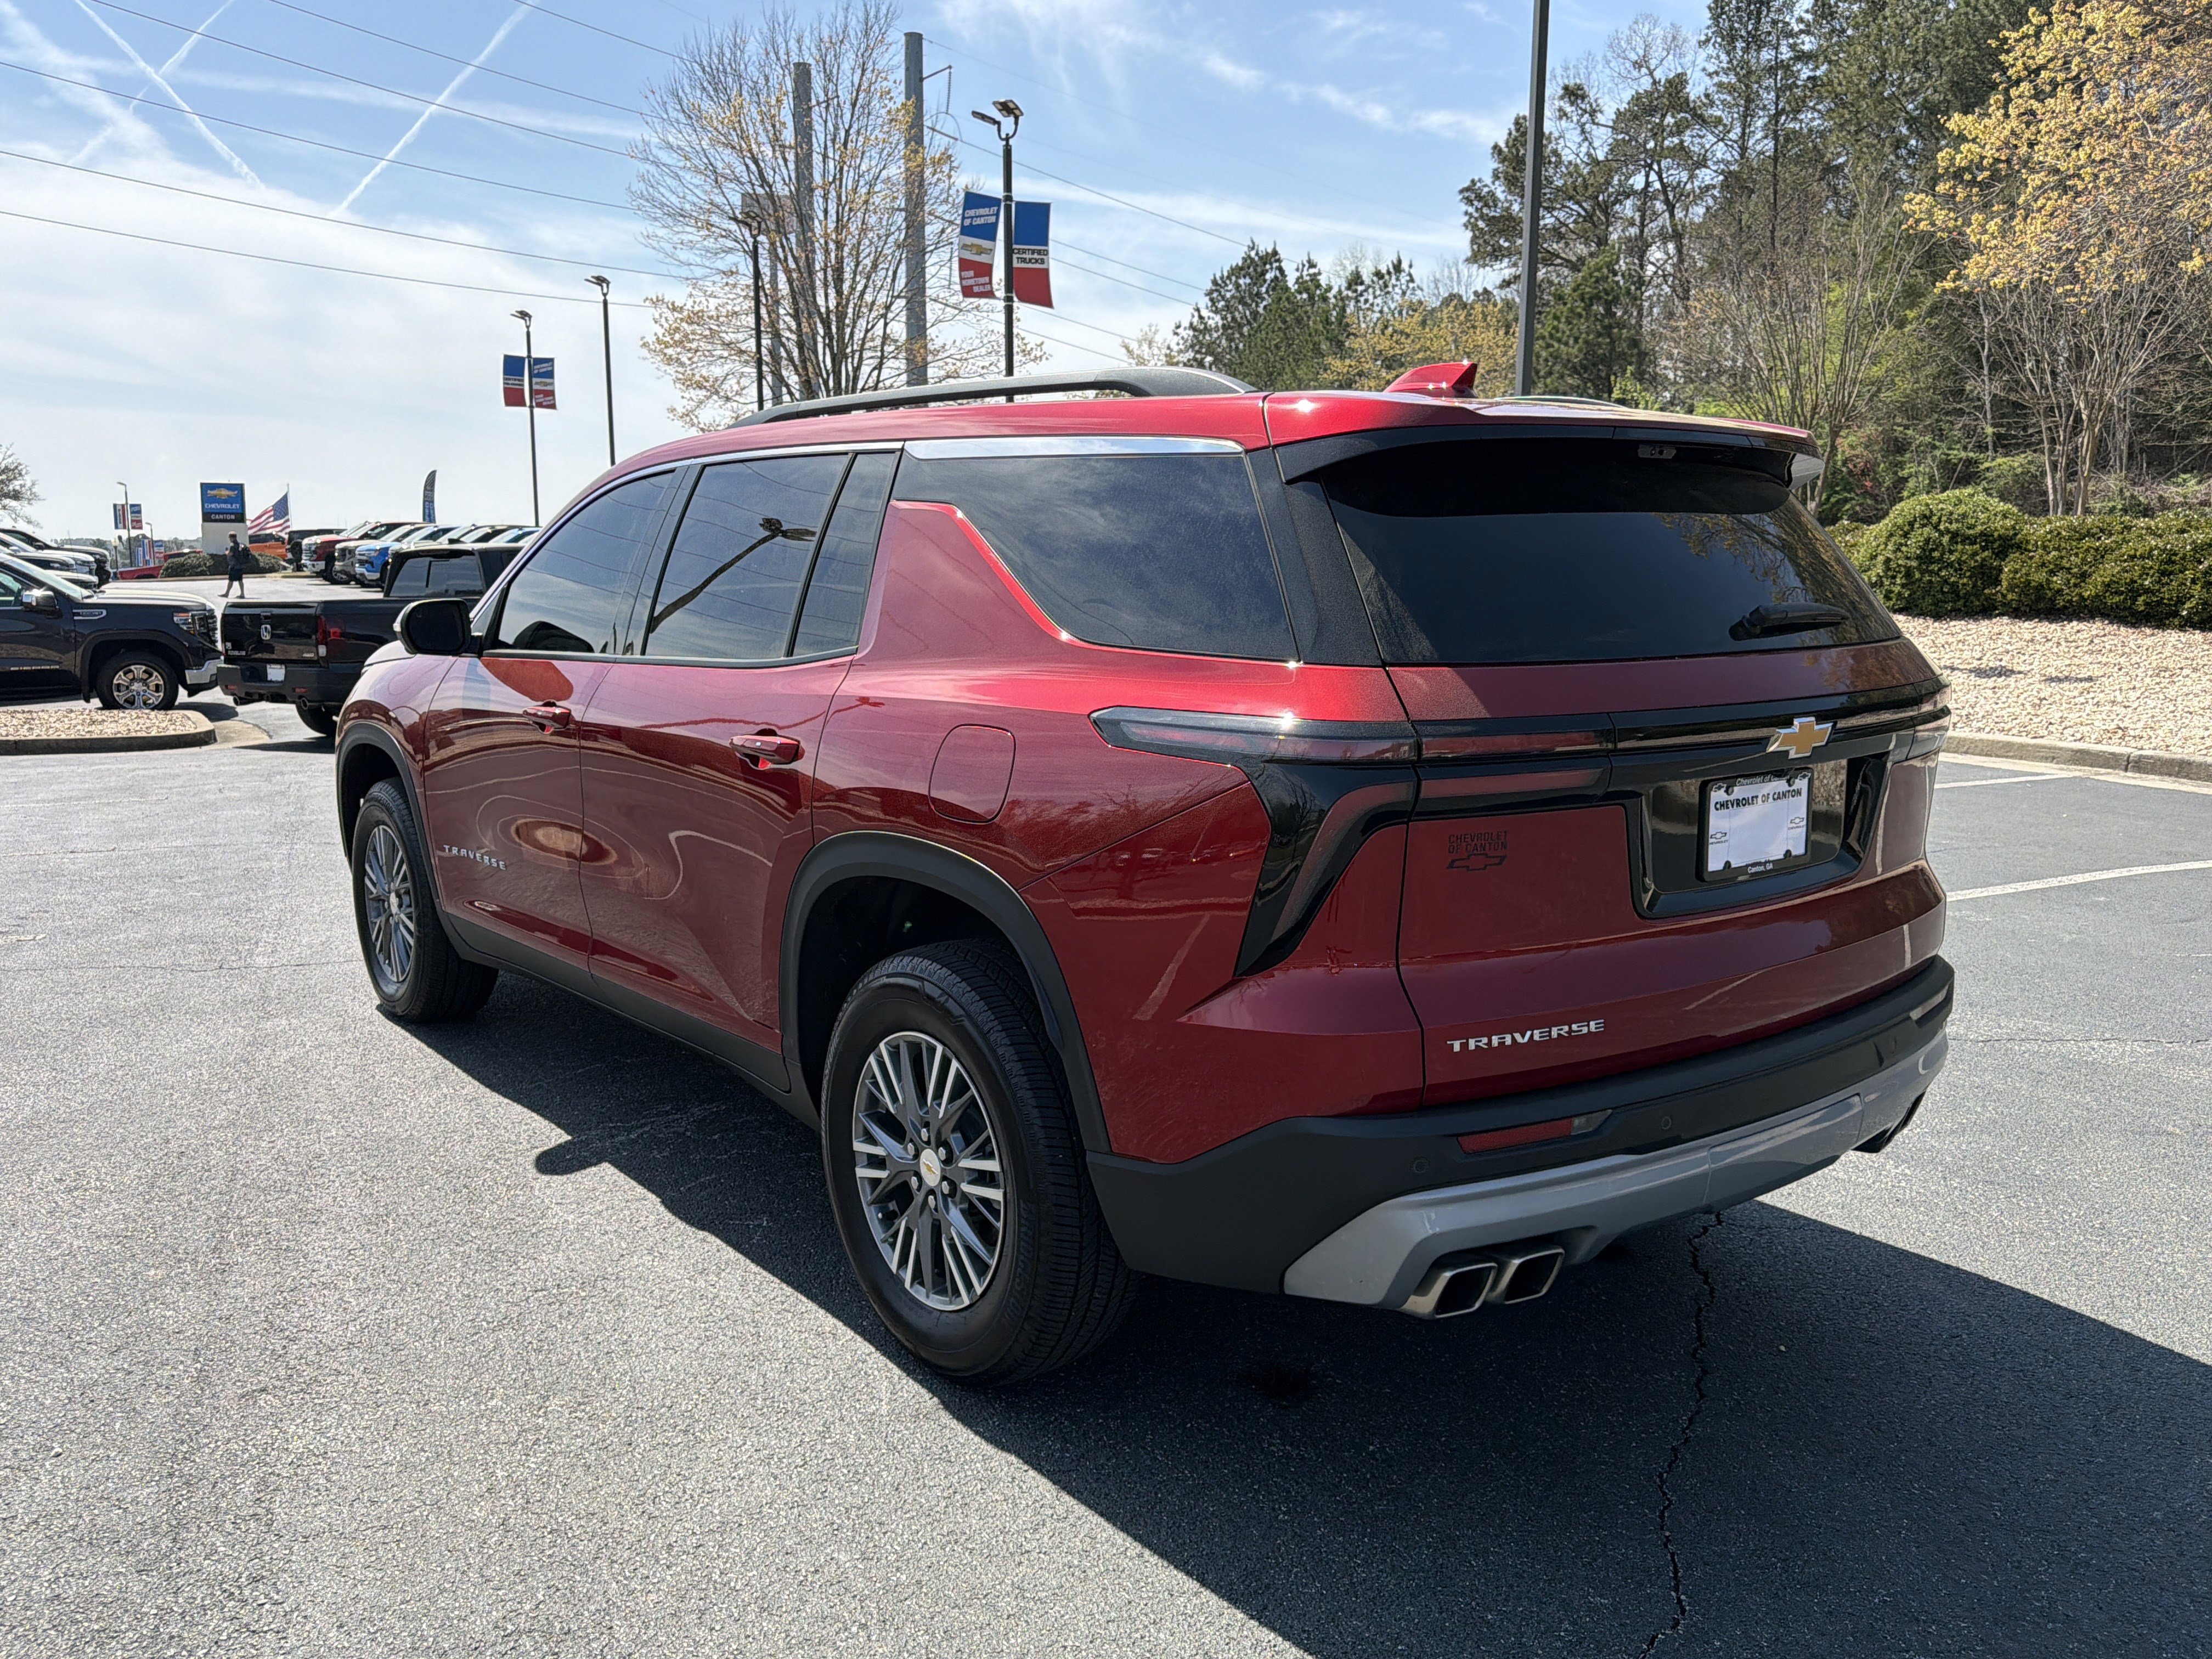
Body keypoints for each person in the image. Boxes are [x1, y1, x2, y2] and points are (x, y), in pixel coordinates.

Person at [222, 533, 251, 598]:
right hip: (240, 566)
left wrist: (227, 552)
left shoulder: (232, 544)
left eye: (230, 538)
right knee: (240, 580)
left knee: (231, 580)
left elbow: (231, 553)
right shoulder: (239, 545)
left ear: (231, 538)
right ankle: (242, 594)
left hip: (234, 566)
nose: (229, 539)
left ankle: (227, 594)